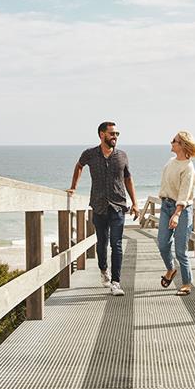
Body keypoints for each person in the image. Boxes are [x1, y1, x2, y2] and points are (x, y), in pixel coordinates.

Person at [68, 121, 139, 296]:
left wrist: (135, 203)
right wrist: (73, 187)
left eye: (117, 134)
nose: (115, 137)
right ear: (102, 134)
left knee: (116, 244)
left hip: (118, 206)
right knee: (102, 243)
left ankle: (116, 282)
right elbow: (79, 166)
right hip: (99, 206)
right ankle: (103, 270)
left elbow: (128, 179)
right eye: (112, 133)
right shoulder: (90, 154)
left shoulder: (122, 156)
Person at [157, 130, 195, 296]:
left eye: (174, 141)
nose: (171, 143)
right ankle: (170, 269)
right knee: (162, 243)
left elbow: (184, 193)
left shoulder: (188, 168)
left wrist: (176, 214)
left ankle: (186, 283)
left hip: (181, 210)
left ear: (182, 145)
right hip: (166, 206)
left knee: (180, 249)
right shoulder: (170, 162)